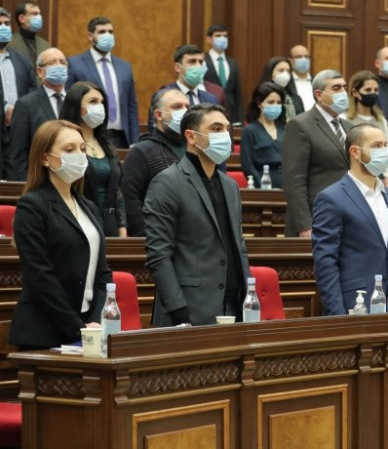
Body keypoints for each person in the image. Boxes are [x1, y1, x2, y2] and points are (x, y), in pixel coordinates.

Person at [144, 104, 251, 326]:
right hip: (188, 309)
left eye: (227, 129)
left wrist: (249, 295)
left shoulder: (230, 186)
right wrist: (178, 310)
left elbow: (239, 245)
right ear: (191, 136)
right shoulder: (166, 183)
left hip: (234, 305)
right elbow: (159, 255)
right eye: (216, 128)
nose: (225, 135)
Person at [8, 120, 111, 349]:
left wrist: (95, 321)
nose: (79, 156)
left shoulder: (89, 207)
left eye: (82, 149)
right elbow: (40, 276)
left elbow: (103, 273)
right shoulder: (31, 206)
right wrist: (77, 328)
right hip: (45, 332)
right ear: (45, 158)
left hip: (89, 329)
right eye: (69, 149)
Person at [312, 123, 388, 315]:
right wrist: (338, 316)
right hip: (354, 306)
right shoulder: (331, 198)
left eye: (385, 145)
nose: (383, 152)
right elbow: (325, 263)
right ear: (355, 152)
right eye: (376, 146)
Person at [281, 70, 352, 237]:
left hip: (349, 218)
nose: (343, 92)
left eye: (344, 87)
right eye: (336, 88)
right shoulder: (300, 125)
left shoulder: (350, 127)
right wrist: (305, 226)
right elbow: (294, 181)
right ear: (319, 95)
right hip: (317, 218)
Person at [59, 81, 127, 237]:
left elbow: (117, 192)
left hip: (109, 226)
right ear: (76, 106)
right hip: (79, 225)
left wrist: (122, 228)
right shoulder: (64, 144)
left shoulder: (107, 145)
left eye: (102, 102)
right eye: (93, 102)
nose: (100, 107)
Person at [121, 89, 188, 237]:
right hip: (158, 240)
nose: (185, 112)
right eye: (177, 107)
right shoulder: (141, 152)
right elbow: (130, 201)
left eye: (187, 107)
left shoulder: (195, 150)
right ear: (158, 115)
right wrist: (145, 238)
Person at [65, 16, 140, 148]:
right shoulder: (75, 64)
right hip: (90, 136)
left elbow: (131, 106)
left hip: (122, 138)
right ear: (90, 36)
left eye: (110, 32)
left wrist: (134, 141)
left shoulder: (125, 67)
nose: (107, 35)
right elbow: (70, 105)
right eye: (101, 32)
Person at [9, 47, 68, 181]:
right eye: (52, 63)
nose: (59, 66)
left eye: (63, 62)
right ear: (40, 72)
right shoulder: (26, 104)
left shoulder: (76, 100)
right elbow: (18, 154)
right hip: (39, 181)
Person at [148, 44, 224, 129]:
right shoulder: (164, 96)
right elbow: (154, 130)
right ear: (177, 67)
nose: (198, 66)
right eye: (192, 61)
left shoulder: (212, 99)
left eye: (200, 62)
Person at [0, 6, 37, 179]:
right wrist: (5, 108)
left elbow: (33, 88)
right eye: (0, 24)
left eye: (7, 24)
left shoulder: (20, 58)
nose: (4, 28)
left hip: (19, 129)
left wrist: (19, 110)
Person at [340, 70, 388, 179]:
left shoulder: (381, 121)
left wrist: (387, 180)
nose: (373, 93)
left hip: (378, 177)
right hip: (352, 176)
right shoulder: (344, 119)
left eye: (376, 90)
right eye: (368, 90)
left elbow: (385, 155)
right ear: (355, 92)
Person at [241, 81, 285, 188]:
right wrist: (262, 185)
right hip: (262, 185)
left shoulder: (285, 129)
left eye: (279, 102)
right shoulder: (249, 130)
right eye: (271, 102)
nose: (275, 106)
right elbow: (247, 165)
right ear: (259, 104)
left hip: (286, 184)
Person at [203, 23, 242, 124]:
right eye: (218, 35)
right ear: (209, 39)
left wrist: (239, 119)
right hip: (209, 110)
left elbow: (237, 93)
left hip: (230, 113)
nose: (222, 38)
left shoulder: (232, 63)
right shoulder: (202, 61)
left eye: (225, 36)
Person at [7, 0, 50, 71]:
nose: (39, 17)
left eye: (39, 13)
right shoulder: (8, 44)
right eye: (34, 14)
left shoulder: (46, 45)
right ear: (22, 18)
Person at [259, 56, 303, 122]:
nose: (285, 74)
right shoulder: (262, 96)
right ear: (270, 72)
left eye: (288, 71)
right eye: (281, 70)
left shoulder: (296, 99)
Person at [288, 44, 316, 111]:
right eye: (299, 57)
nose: (304, 59)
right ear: (290, 60)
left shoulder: (316, 80)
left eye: (306, 57)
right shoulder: (287, 82)